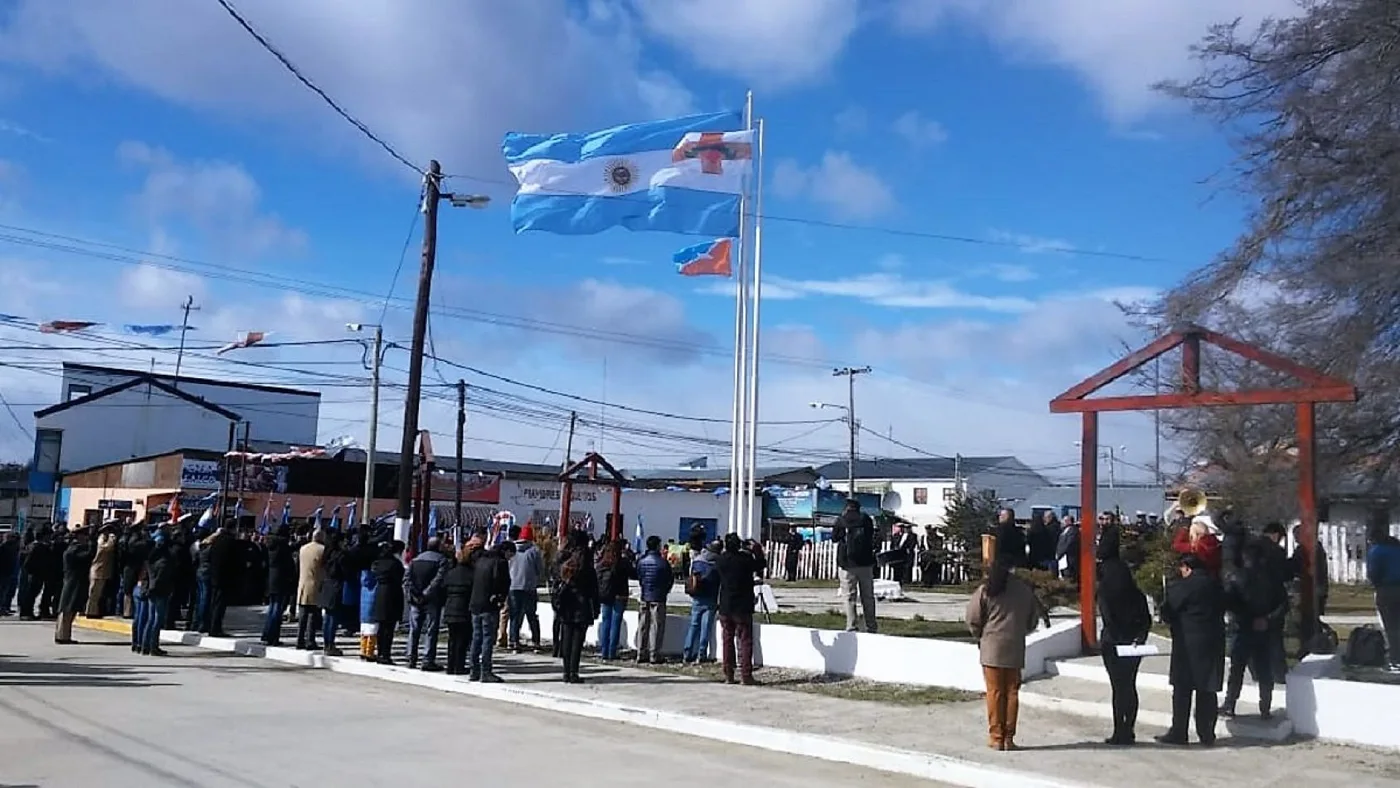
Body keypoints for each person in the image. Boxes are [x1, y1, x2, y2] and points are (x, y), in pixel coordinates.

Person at [966, 559, 1046, 751]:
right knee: (1012, 693)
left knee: (994, 692)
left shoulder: (986, 589)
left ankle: (996, 736)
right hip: (1015, 647)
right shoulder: (1024, 590)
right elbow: (1032, 621)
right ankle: (1009, 738)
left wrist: (980, 635)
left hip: (991, 648)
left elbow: (972, 618)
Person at [1157, 554, 1226, 746]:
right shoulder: (1215, 584)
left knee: (1182, 689)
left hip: (1187, 642)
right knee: (1207, 689)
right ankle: (1207, 733)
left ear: (1187, 567)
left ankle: (1179, 732)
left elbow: (1168, 610)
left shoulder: (1182, 586)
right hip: (1213, 641)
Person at [1096, 526, 1152, 745]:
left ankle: (1120, 730)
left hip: (1114, 639)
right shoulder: (1126, 575)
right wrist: (1139, 634)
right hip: (1134, 640)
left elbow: (1107, 612)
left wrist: (1115, 635)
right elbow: (1141, 607)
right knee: (1130, 684)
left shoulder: (1105, 578)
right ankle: (1129, 728)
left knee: (1118, 687)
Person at [1221, 539, 1288, 719]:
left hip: (1243, 627)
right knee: (1265, 669)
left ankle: (1230, 704)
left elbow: (1230, 602)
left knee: (1237, 669)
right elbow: (1283, 603)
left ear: (1244, 557)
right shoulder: (1273, 578)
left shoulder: (1236, 576)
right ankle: (1265, 708)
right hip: (1265, 628)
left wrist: (1245, 618)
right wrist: (1267, 619)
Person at [715, 534, 766, 684]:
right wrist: (756, 550)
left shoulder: (721, 560)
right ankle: (746, 675)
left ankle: (728, 674)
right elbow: (761, 564)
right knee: (745, 640)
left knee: (727, 640)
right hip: (742, 605)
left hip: (725, 604)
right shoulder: (745, 559)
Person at [552, 529, 599, 683]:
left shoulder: (562, 559)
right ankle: (573, 672)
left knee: (566, 637)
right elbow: (593, 587)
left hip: (566, 602)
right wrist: (596, 607)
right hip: (582, 603)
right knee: (577, 641)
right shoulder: (585, 561)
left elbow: (555, 577)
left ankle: (566, 672)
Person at [470, 540, 513, 682]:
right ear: (506, 551)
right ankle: (486, 671)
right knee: (488, 638)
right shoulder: (500, 563)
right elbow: (503, 583)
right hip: (489, 604)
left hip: (476, 603)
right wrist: (500, 599)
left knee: (476, 638)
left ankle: (474, 670)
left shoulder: (481, 560)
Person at [404, 536, 450, 671]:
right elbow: (439, 579)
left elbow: (407, 579)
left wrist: (413, 594)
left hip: (415, 599)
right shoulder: (442, 560)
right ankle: (427, 659)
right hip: (432, 600)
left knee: (414, 629)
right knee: (431, 630)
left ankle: (411, 657)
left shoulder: (415, 560)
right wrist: (426, 593)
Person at [834, 499, 878, 633]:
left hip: (847, 564)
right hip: (865, 563)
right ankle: (871, 626)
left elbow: (835, 538)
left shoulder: (841, 520)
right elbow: (871, 537)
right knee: (868, 596)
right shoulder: (866, 519)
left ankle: (851, 625)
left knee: (849, 596)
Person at [1365, 523, 1400, 672]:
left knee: (1392, 627)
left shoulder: (1377, 551)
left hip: (1387, 590)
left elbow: (1374, 573)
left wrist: (1375, 583)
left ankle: (1396, 660)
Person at [635, 534, 674, 663]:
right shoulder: (663, 563)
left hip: (645, 594)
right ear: (657, 546)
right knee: (656, 625)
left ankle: (640, 651)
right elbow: (669, 580)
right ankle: (654, 653)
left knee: (642, 625)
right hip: (658, 596)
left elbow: (639, 577)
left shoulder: (641, 561)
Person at [682, 539, 722, 664]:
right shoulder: (717, 564)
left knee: (694, 625)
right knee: (706, 627)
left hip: (697, 597)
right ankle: (701, 654)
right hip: (711, 598)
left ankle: (687, 653)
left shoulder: (698, 560)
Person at [507, 525, 545, 652]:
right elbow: (540, 569)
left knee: (515, 616)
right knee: (531, 615)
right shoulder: (534, 551)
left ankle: (513, 641)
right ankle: (536, 641)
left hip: (513, 586)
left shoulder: (512, 549)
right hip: (529, 586)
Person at [594, 538, 633, 660]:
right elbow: (633, 573)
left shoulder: (604, 563)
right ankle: (612, 651)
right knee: (616, 623)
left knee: (606, 622)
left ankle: (604, 650)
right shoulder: (623, 562)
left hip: (606, 595)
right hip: (620, 595)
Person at [55, 524, 94, 644]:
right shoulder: (74, 550)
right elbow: (87, 557)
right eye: (84, 536)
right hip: (73, 583)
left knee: (70, 609)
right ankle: (62, 636)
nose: (86, 538)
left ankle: (63, 635)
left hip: (74, 582)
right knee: (68, 609)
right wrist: (93, 545)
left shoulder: (73, 548)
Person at [138, 529, 174, 656]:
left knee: (151, 619)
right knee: (157, 620)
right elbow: (161, 577)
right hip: (159, 591)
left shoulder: (151, 556)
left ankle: (145, 646)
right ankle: (153, 646)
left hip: (151, 590)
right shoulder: (164, 559)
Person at [369, 540, 406, 665]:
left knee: (381, 626)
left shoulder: (378, 563)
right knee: (389, 628)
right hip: (392, 594)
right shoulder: (395, 564)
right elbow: (400, 578)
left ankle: (380, 652)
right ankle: (386, 653)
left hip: (380, 593)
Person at [442, 544, 475, 676]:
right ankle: (459, 665)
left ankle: (450, 665)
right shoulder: (471, 574)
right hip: (464, 610)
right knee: (462, 640)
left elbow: (443, 588)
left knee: (452, 639)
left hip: (450, 608)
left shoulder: (450, 573)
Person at [261, 525, 296, 646]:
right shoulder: (283, 546)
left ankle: (266, 633)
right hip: (281, 580)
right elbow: (289, 564)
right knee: (277, 609)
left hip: (271, 579)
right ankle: (273, 636)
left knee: (272, 608)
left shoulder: (270, 545)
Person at [318, 530, 350, 657]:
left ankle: (327, 643)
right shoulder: (340, 555)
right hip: (336, 586)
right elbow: (346, 572)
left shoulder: (326, 554)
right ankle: (330, 644)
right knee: (333, 618)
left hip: (326, 585)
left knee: (327, 617)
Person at [205, 521, 239, 637]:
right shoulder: (230, 542)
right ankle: (216, 628)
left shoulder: (217, 540)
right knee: (220, 604)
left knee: (213, 603)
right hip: (224, 577)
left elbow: (209, 557)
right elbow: (234, 561)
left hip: (214, 576)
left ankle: (211, 626)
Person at [296, 529, 327, 650]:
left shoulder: (303, 549)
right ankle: (310, 640)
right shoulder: (322, 550)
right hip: (316, 584)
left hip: (303, 583)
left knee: (302, 615)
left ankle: (299, 639)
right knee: (312, 615)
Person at [85, 524, 118, 618]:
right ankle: (90, 612)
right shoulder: (101, 539)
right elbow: (106, 547)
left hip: (102, 570)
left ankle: (94, 611)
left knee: (98, 593)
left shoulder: (104, 538)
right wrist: (112, 538)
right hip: (97, 570)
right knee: (94, 593)